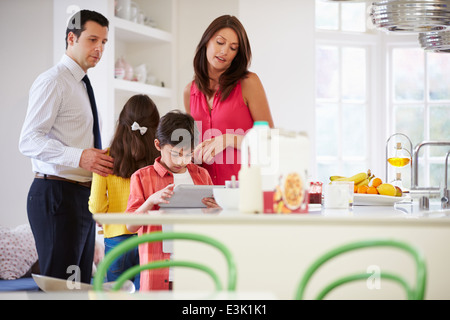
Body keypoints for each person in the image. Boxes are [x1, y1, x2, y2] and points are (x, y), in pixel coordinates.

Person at [18, 10, 114, 284]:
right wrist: (80, 156)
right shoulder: (54, 81)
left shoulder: (82, 85)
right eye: (93, 39)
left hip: (79, 197)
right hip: (56, 194)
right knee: (60, 288)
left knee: (79, 286)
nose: (99, 48)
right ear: (71, 38)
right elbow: (28, 139)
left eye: (104, 42)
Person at [126, 110, 218, 291]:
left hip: (196, 264)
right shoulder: (142, 177)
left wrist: (216, 211)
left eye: (188, 154)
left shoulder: (202, 175)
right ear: (158, 145)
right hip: (158, 268)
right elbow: (130, 225)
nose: (182, 160)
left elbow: (213, 225)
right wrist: (150, 201)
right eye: (176, 153)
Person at [184, 15, 274, 186]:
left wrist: (229, 139)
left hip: (245, 191)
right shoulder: (189, 91)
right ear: (206, 41)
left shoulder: (248, 83)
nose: (224, 51)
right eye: (220, 42)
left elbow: (269, 142)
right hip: (205, 195)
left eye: (233, 48)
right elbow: (190, 148)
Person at [88, 94, 160, 290]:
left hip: (116, 239)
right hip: (150, 237)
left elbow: (96, 207)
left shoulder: (105, 157)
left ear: (121, 123)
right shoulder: (160, 160)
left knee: (115, 293)